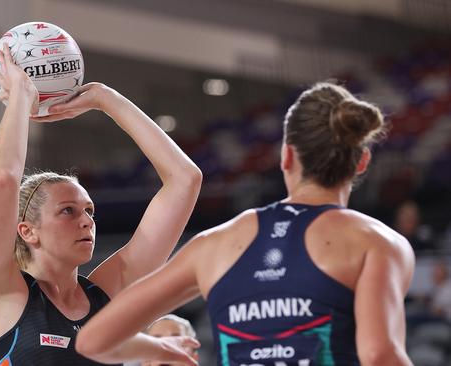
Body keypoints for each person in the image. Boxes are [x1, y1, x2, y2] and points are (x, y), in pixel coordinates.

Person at [77, 82, 416, 366]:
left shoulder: (214, 244)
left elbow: (93, 340)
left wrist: (161, 348)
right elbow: (379, 354)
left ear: (286, 156)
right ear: (362, 162)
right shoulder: (376, 241)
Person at [0, 43, 202, 366]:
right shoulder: (1, 289)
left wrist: (106, 99)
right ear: (27, 231)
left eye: (89, 210)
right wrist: (20, 95)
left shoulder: (106, 296)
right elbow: (4, 179)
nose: (86, 220)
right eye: (69, 210)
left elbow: (186, 179)